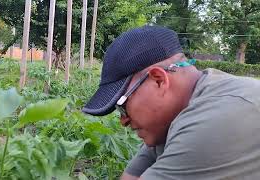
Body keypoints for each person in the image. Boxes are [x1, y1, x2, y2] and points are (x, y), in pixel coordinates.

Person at [82, 25, 260, 180]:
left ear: (159, 80)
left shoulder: (218, 118)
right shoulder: (172, 120)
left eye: (122, 105)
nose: (123, 121)